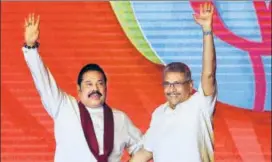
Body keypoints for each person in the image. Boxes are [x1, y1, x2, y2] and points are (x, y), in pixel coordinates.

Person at [22, 14, 142, 162]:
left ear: (106, 88)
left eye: (100, 83)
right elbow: (43, 81)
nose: (95, 89)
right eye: (89, 84)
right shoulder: (64, 107)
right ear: (79, 90)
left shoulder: (120, 119)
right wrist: (31, 47)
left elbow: (143, 149)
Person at [130, 2, 217, 162]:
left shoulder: (200, 105)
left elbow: (209, 73)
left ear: (190, 86)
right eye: (168, 84)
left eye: (177, 84)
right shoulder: (158, 114)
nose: (172, 89)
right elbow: (145, 153)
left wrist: (207, 31)